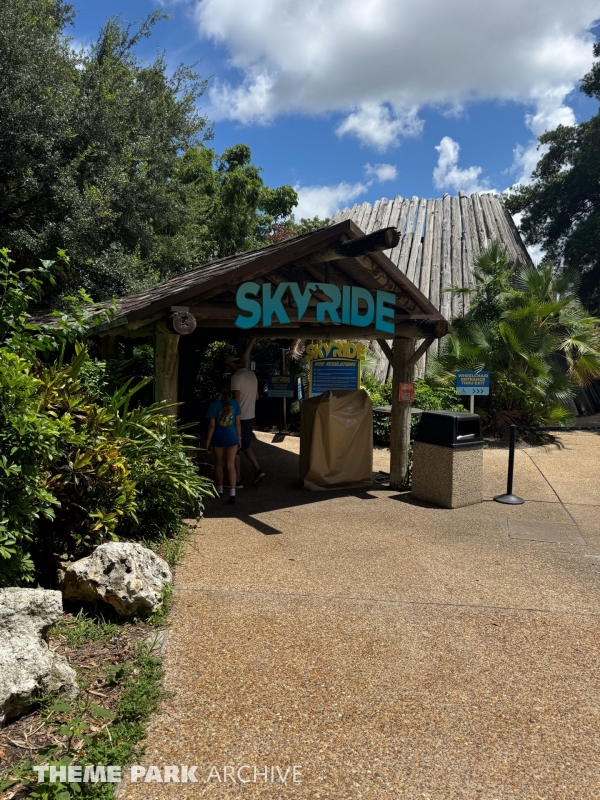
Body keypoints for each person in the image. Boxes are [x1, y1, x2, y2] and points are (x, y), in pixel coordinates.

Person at [225, 354, 266, 486]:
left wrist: (229, 414)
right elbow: (257, 397)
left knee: (234, 446)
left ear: (231, 364)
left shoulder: (236, 377)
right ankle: (257, 469)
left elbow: (236, 398)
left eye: (228, 365)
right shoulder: (252, 375)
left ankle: (237, 479)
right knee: (245, 444)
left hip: (239, 417)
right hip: (250, 415)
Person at [206, 384, 242, 504]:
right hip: (232, 437)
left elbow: (212, 426)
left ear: (218, 393)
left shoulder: (213, 406)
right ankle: (232, 493)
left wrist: (208, 441)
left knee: (219, 464)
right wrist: (239, 439)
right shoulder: (235, 404)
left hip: (218, 438)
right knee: (231, 465)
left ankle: (219, 490)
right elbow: (238, 424)